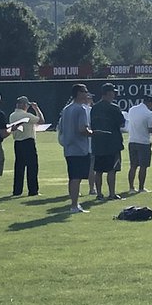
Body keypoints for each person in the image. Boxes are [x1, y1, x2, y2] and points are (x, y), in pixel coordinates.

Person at [57, 83, 93, 212]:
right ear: (78, 93)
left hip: (68, 148)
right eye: (84, 91)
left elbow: (61, 128)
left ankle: (74, 204)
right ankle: (74, 205)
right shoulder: (80, 109)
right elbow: (82, 129)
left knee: (72, 177)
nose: (86, 94)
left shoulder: (66, 109)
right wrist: (92, 133)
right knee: (76, 178)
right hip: (79, 149)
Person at [90, 83, 124, 200]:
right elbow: (122, 123)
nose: (114, 95)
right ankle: (112, 193)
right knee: (112, 170)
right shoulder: (114, 108)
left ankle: (99, 194)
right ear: (109, 93)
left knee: (98, 170)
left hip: (98, 143)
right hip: (112, 143)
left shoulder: (94, 108)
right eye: (113, 92)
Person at [9, 96, 44, 197]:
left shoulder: (12, 115)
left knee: (19, 167)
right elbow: (41, 120)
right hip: (28, 142)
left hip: (17, 142)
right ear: (24, 105)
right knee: (32, 166)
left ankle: (17, 190)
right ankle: (33, 190)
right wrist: (37, 109)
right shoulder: (27, 115)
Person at [126, 94, 152, 193]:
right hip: (143, 142)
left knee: (133, 166)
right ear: (149, 103)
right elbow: (150, 129)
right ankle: (141, 188)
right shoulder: (149, 113)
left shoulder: (132, 109)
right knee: (143, 166)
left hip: (132, 140)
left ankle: (131, 188)